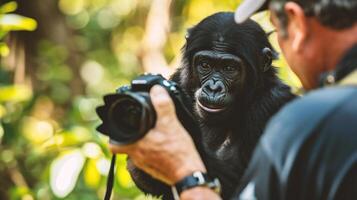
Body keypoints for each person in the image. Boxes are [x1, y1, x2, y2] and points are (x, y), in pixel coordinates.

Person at [110, 0, 357, 199]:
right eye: (205, 65)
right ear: (190, 62)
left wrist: (186, 171)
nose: (214, 86)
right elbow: (155, 183)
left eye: (229, 69)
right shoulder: (177, 89)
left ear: (262, 64)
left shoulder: (279, 109)